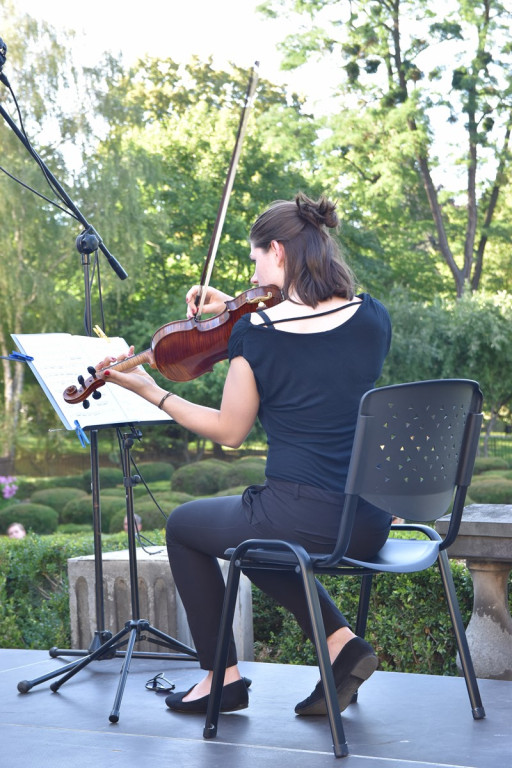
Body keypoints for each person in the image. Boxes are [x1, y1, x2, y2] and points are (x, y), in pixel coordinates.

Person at [97, 192, 392, 717]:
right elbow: (316, 343)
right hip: (368, 520)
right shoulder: (372, 317)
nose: (253, 276)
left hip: (303, 516)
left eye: (256, 260)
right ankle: (342, 644)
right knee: (251, 544)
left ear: (277, 251)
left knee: (185, 527)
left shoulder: (258, 335)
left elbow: (230, 431)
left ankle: (221, 678)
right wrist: (237, 308)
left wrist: (152, 392)